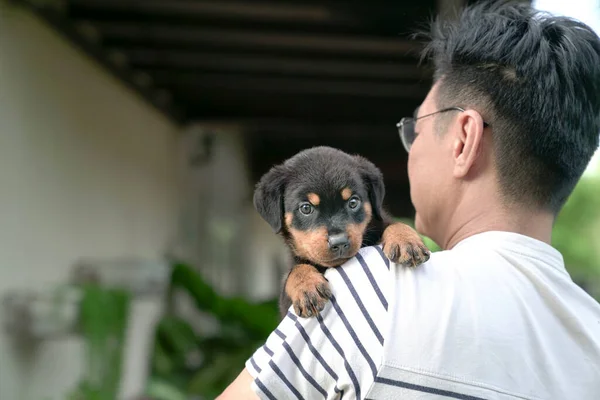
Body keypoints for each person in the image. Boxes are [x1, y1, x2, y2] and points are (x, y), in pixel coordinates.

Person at [218, 1, 600, 399]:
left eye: (415, 128)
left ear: (464, 139)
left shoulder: (369, 289)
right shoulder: (593, 335)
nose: (410, 149)